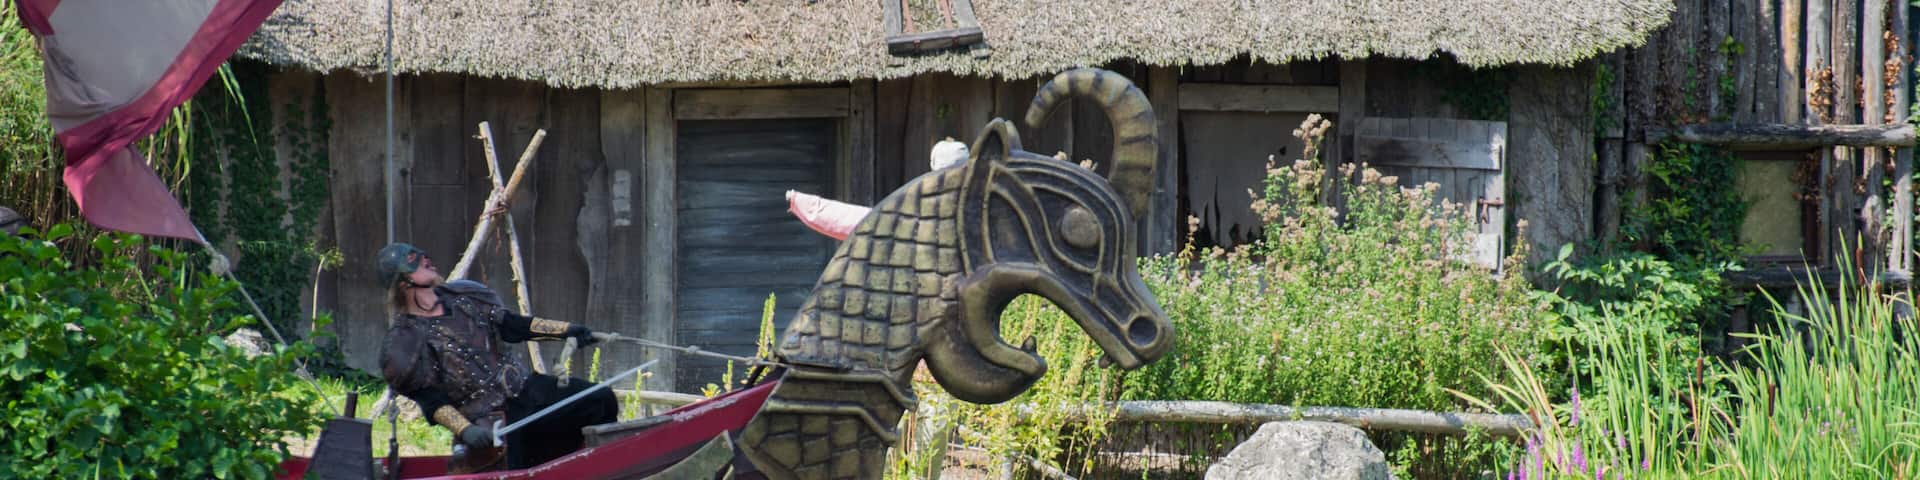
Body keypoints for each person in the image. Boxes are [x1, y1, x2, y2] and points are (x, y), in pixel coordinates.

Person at [374, 242, 619, 471]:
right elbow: (431, 400)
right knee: (515, 468)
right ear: (403, 282)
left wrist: (566, 330)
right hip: (487, 420)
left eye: (423, 255)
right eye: (414, 260)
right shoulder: (405, 340)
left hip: (527, 389)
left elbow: (513, 325)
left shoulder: (465, 298)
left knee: (600, 400)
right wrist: (465, 428)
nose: (425, 259)